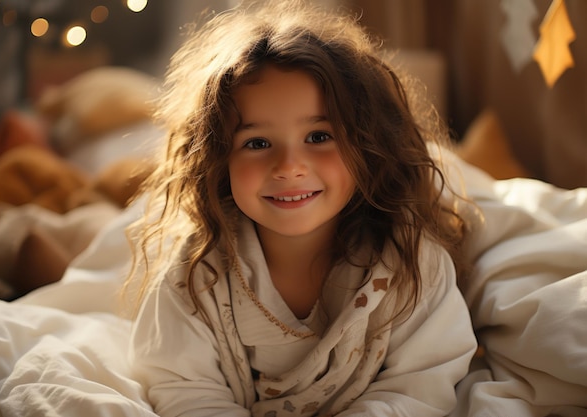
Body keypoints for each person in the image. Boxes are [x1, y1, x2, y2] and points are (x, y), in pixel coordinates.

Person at [124, 1, 478, 415]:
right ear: (218, 161)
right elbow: (182, 386)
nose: (289, 167)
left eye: (318, 136)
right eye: (257, 143)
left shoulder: (412, 264)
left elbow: (418, 385)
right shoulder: (194, 278)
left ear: (367, 144)